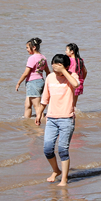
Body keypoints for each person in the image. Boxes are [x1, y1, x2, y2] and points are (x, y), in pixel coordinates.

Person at [34, 54, 80, 186]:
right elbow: (45, 99)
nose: (55, 69)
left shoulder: (72, 76)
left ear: (65, 67)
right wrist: (39, 114)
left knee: (62, 150)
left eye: (58, 66)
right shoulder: (49, 77)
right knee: (47, 149)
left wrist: (64, 71)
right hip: (51, 119)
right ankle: (56, 170)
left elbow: (76, 84)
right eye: (54, 66)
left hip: (67, 119)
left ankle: (64, 179)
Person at [16, 37, 50, 119]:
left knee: (37, 106)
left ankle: (40, 125)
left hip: (33, 83)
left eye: (27, 47)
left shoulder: (32, 58)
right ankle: (26, 124)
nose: (27, 49)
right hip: (40, 81)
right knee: (27, 105)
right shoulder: (43, 57)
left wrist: (18, 83)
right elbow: (48, 72)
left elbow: (25, 73)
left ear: (34, 47)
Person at [65, 43, 87, 109]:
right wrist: (81, 80)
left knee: (67, 102)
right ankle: (74, 114)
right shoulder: (80, 60)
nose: (65, 51)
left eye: (66, 50)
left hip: (70, 83)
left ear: (71, 51)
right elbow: (85, 71)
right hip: (78, 83)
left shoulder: (69, 60)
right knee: (74, 104)